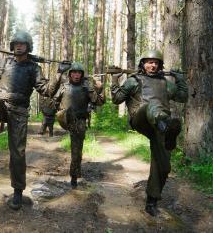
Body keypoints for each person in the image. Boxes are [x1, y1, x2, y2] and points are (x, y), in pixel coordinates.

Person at [0, 30, 68, 210]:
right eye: (16, 44)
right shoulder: (3, 62)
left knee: (18, 152)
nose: (19, 46)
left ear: (27, 47)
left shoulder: (34, 68)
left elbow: (47, 91)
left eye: (22, 44)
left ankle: (17, 192)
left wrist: (58, 74)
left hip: (19, 110)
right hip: (1, 103)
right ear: (12, 46)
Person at [110, 50, 188, 216]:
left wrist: (180, 80)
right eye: (149, 62)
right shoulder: (134, 81)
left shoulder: (165, 83)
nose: (152, 65)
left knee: (164, 166)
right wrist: (115, 79)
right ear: (142, 64)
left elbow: (182, 97)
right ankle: (163, 124)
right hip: (141, 119)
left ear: (160, 65)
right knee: (151, 106)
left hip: (160, 127)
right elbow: (116, 99)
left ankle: (151, 201)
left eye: (156, 62)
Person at [53, 62, 104, 189]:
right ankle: (75, 174)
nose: (76, 75)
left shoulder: (87, 87)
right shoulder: (64, 87)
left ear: (82, 75)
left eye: (79, 73)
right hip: (66, 119)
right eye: (74, 72)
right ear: (70, 74)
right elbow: (54, 101)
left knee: (76, 150)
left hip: (79, 121)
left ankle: (74, 177)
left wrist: (99, 89)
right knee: (75, 149)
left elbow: (99, 102)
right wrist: (60, 112)